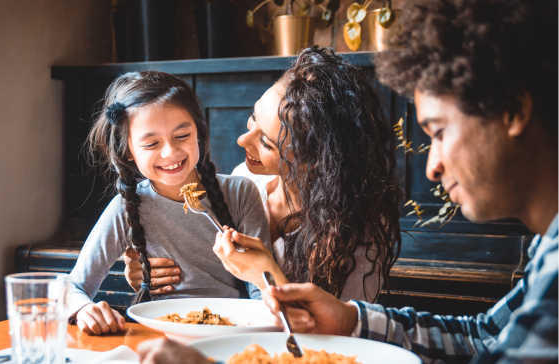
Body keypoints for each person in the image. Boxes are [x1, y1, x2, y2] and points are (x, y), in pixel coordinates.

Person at [137, 0, 559, 362]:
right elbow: (483, 336)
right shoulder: (548, 249)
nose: (432, 167)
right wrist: (351, 320)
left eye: (440, 132)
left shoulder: (356, 228)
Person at [125, 48, 402, 303]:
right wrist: (148, 275)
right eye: (253, 116)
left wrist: (266, 275)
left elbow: (342, 334)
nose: (243, 140)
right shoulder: (245, 182)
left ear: (317, 159)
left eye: (267, 143)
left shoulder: (360, 232)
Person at [68, 71, 271, 335]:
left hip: (232, 331)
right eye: (151, 143)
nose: (170, 153)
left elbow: (262, 291)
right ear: (128, 151)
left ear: (199, 131)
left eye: (182, 136)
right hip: (158, 335)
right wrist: (84, 309)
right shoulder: (126, 208)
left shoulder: (240, 193)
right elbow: (74, 286)